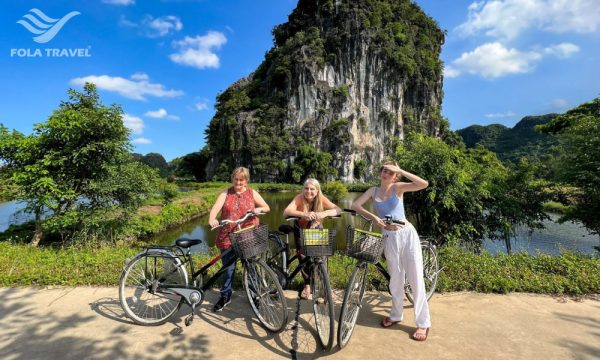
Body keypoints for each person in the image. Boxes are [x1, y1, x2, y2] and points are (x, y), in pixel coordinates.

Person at [351, 160, 431, 341]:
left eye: (390, 171)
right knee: (395, 278)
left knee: (415, 277)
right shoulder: (373, 191)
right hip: (388, 237)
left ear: (395, 175)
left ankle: (423, 323)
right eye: (384, 170)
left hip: (406, 235)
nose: (386, 173)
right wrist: (373, 218)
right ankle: (396, 315)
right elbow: (356, 205)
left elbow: (423, 184)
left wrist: (401, 169)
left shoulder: (398, 188)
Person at [208, 167, 270, 312]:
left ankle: (255, 294)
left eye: (241, 179)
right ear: (232, 179)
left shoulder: (252, 192)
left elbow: (267, 207)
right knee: (228, 269)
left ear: (246, 180)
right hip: (228, 235)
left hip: (248, 234)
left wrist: (257, 210)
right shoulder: (226, 192)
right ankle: (225, 296)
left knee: (251, 266)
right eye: (236, 179)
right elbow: (215, 208)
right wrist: (212, 218)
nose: (238, 182)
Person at [283, 178, 341, 299]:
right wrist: (304, 214)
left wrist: (324, 214)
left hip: (316, 228)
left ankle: (325, 286)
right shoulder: (299, 198)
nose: (308, 191)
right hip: (301, 229)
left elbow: (338, 209)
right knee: (303, 257)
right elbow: (286, 212)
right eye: (306, 188)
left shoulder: (321, 198)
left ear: (317, 190)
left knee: (322, 256)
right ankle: (307, 285)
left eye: (312, 189)